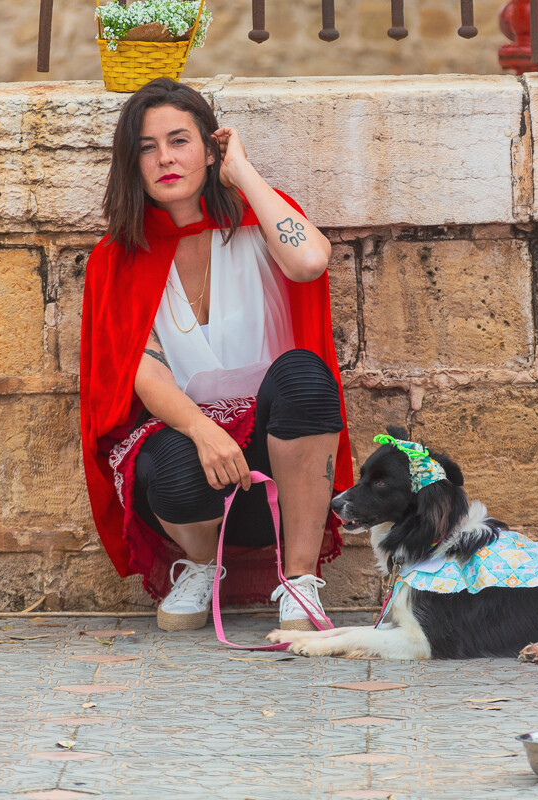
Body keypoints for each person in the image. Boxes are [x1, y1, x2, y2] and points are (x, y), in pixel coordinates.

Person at [79, 78, 353, 633]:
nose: (165, 159)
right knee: (169, 466)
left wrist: (243, 174)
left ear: (210, 148)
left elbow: (309, 262)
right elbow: (144, 374)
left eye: (179, 141)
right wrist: (206, 432)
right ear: (132, 166)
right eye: (147, 148)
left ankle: (298, 582)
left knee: (305, 375)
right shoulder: (118, 259)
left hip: (280, 456)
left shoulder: (260, 225)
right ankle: (204, 566)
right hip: (199, 462)